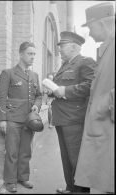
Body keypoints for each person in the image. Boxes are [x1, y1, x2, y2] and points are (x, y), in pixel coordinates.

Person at [48, 31, 97, 193]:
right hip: (62, 117)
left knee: (76, 159)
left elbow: (91, 85)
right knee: (66, 157)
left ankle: (81, 191)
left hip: (75, 118)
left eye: (62, 46)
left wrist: (65, 90)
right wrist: (52, 90)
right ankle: (70, 187)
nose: (59, 50)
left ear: (74, 47)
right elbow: (59, 87)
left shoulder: (85, 62)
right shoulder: (65, 65)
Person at [74, 3, 115, 193]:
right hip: (103, 126)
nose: (89, 34)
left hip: (108, 125)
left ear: (101, 23)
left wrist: (102, 106)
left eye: (90, 27)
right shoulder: (109, 47)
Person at [0, 42, 42, 193]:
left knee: (25, 151)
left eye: (34, 54)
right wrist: (2, 119)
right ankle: (10, 181)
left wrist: (37, 105)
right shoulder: (8, 73)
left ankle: (23, 177)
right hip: (13, 119)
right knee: (12, 151)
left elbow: (39, 96)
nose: (32, 57)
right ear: (21, 54)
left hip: (29, 120)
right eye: (30, 54)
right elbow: (1, 97)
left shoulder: (34, 75)